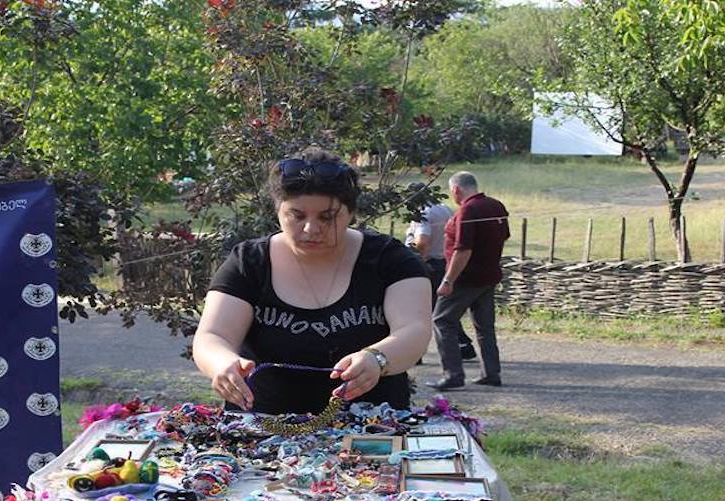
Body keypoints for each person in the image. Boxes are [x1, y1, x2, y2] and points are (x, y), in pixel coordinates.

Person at [194, 147, 432, 415]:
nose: (311, 229)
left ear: (351, 213)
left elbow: (414, 330)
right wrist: (222, 363)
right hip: (261, 427)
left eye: (327, 217)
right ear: (278, 211)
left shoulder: (391, 260)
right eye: (297, 216)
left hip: (373, 427)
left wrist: (377, 358)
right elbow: (213, 336)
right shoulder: (248, 262)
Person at [427, 171, 509, 390]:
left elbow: (463, 249)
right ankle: (491, 373)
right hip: (488, 276)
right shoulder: (496, 205)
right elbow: (503, 237)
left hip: (465, 279)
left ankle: (453, 375)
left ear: (456, 189)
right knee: (484, 326)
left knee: (442, 320)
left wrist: (448, 280)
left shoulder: (468, 210)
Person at [404, 189, 477, 361]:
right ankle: (463, 345)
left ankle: (416, 352)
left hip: (429, 265)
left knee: (419, 311)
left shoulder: (423, 214)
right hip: (445, 262)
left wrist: (417, 260)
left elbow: (422, 242)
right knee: (442, 309)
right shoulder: (445, 209)